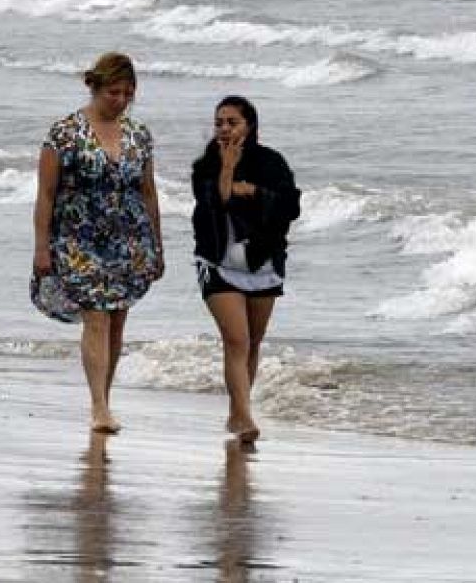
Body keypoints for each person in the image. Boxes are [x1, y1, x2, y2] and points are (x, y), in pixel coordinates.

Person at [31, 52, 164, 434]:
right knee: (96, 317)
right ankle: (98, 406)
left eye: (127, 93)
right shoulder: (65, 133)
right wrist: (42, 246)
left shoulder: (139, 135)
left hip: (130, 239)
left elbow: (149, 192)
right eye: (113, 92)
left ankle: (104, 397)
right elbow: (46, 194)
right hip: (78, 239)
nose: (120, 100)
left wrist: (157, 244)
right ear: (94, 87)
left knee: (117, 319)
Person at [191, 96, 300, 443]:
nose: (224, 128)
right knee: (235, 339)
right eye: (219, 122)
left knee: (253, 341)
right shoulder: (205, 165)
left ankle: (238, 410)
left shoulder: (272, 161)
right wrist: (227, 169)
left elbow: (291, 205)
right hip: (217, 262)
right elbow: (216, 201)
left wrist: (252, 191)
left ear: (249, 126)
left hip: (262, 261)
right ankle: (243, 417)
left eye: (232, 122)